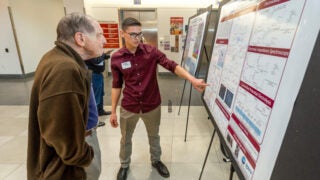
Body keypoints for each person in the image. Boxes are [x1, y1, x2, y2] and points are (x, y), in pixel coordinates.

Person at [109, 17, 208, 180]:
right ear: (122, 33)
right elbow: (116, 85)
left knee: (154, 136)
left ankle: (156, 161)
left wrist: (192, 79)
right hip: (129, 106)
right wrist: (113, 111)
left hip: (151, 105)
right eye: (133, 34)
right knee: (125, 138)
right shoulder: (117, 58)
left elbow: (171, 65)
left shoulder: (151, 52)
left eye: (139, 34)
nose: (137, 38)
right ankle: (124, 165)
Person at [27, 13, 106, 179]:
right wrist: (85, 156)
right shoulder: (65, 70)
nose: (104, 40)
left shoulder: (56, 57)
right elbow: (59, 134)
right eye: (99, 35)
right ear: (80, 38)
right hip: (71, 165)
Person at [85, 50, 113, 119]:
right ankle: (94, 118)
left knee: (100, 94)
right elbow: (97, 60)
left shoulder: (94, 51)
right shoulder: (89, 51)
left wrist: (111, 55)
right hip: (94, 75)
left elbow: (101, 57)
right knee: (96, 96)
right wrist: (104, 53)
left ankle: (100, 111)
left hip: (98, 74)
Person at [85, 84, 102, 180]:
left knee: (94, 172)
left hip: (90, 132)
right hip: (83, 136)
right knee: (92, 173)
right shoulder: (70, 71)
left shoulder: (81, 69)